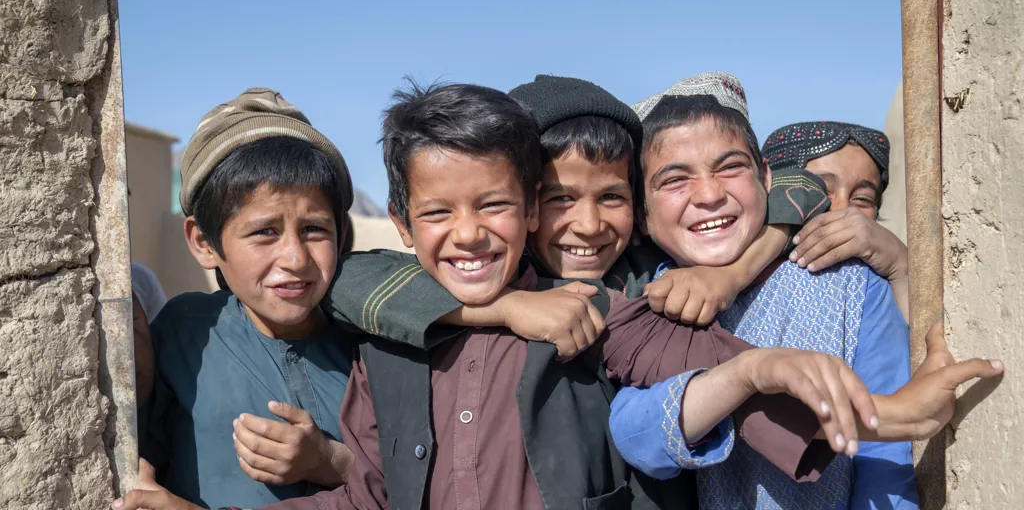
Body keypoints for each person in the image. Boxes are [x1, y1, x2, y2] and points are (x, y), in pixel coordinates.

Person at [113, 81, 888, 510]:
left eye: (496, 206)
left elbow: (711, 341)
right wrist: (506, 307)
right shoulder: (385, 336)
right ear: (402, 221)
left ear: (524, 203)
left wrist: (813, 383)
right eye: (438, 213)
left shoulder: (605, 302)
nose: (471, 235)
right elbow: (372, 492)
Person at [608, 74, 1004, 509]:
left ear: (765, 177)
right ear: (642, 215)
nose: (709, 194)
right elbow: (638, 435)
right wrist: (751, 372)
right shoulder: (648, 300)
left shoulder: (851, 285)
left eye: (730, 167)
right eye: (675, 179)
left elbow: (885, 463)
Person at [137, 89, 357, 508]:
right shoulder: (185, 332)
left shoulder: (375, 346)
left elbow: (419, 480)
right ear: (203, 242)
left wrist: (330, 461)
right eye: (265, 232)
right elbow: (141, 450)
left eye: (314, 229)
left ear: (341, 234)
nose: (295, 258)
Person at [763, 121, 910, 320]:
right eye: (819, 189)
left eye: (862, 199)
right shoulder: (732, 273)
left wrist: (900, 264)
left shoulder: (872, 289)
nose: (843, 209)